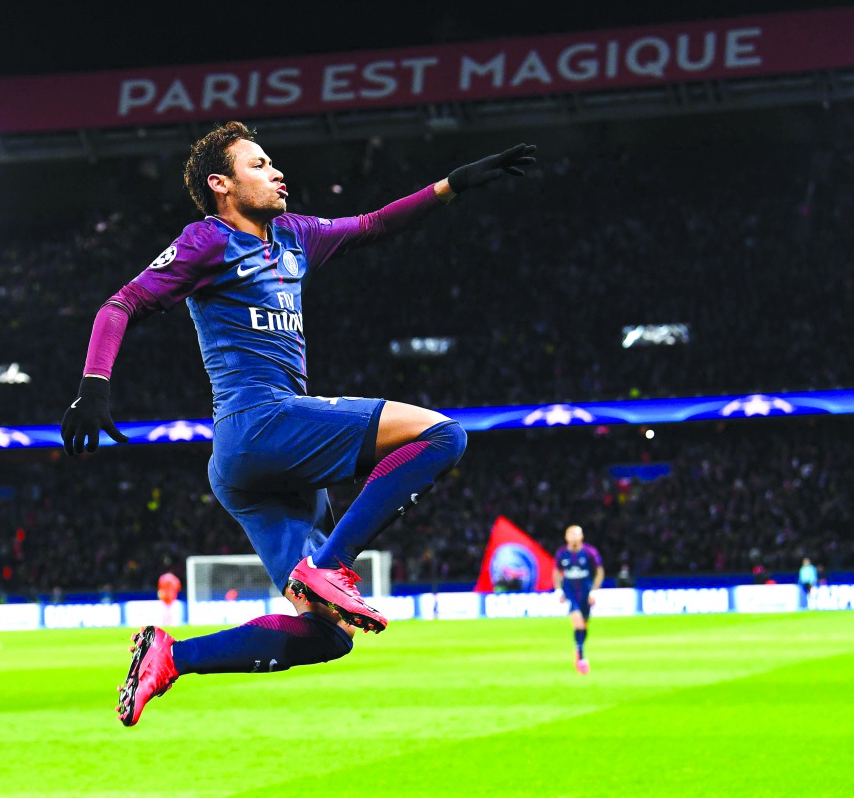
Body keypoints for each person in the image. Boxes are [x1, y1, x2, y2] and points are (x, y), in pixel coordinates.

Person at [60, 121, 536, 726]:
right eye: (257, 165)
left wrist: (453, 185)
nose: (277, 172)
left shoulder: (294, 236)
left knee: (329, 635)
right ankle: (330, 565)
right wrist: (94, 387)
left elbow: (371, 226)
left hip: (257, 465)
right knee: (444, 434)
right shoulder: (207, 241)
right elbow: (120, 303)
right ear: (221, 185)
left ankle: (172, 658)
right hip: (259, 421)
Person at [552, 525, 603, 675]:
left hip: (586, 593)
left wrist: (594, 592)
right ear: (566, 537)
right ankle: (581, 658)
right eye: (571, 534)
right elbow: (556, 572)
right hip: (571, 593)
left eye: (576, 534)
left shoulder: (589, 552)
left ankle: (578, 648)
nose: (574, 537)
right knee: (578, 622)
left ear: (582, 536)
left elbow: (599, 572)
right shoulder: (562, 553)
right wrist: (559, 590)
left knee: (584, 627)